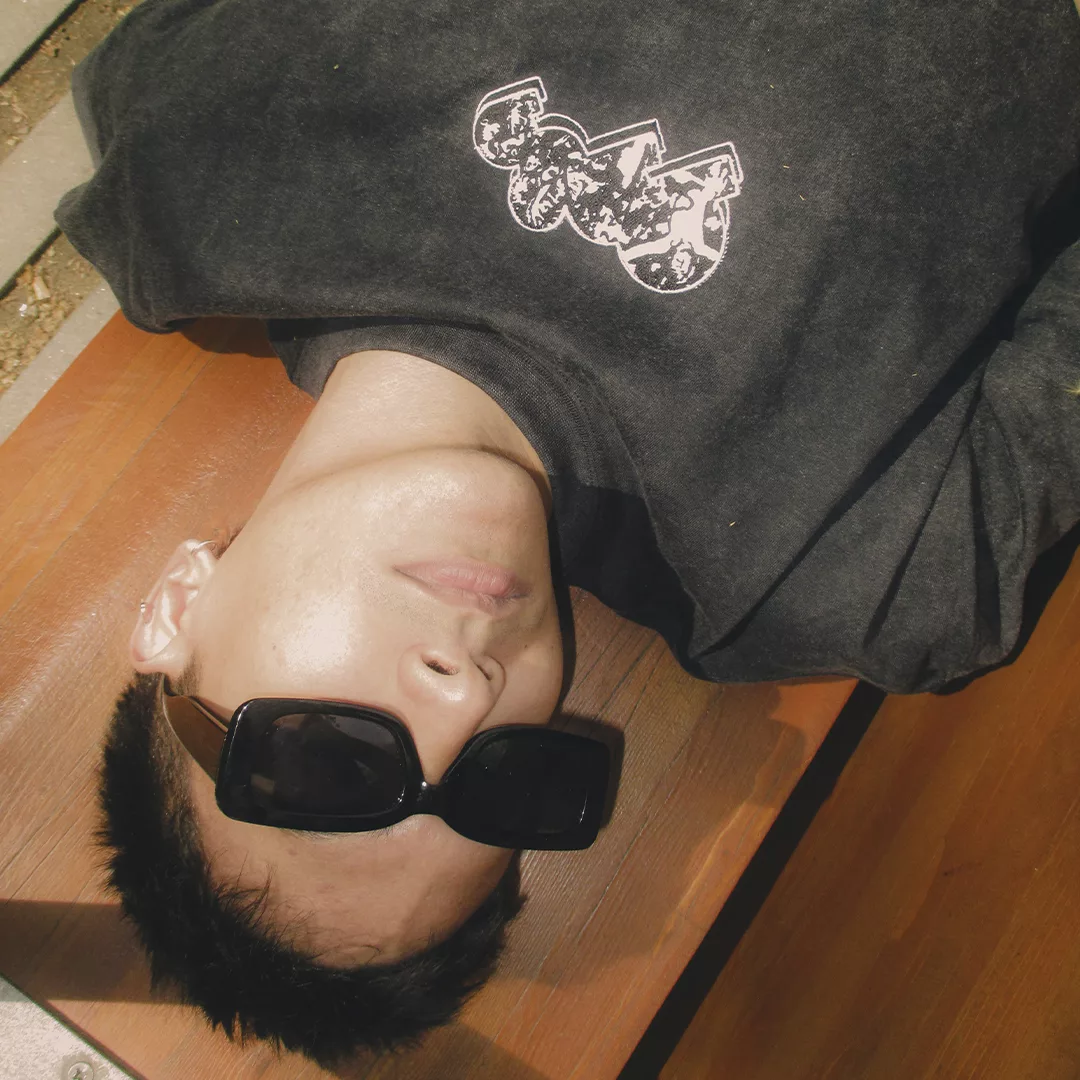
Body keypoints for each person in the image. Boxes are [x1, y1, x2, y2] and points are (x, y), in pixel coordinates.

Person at [57, 0, 1080, 1065]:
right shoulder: (860, 570)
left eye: (329, 761)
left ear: (176, 606)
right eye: (495, 783)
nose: (463, 699)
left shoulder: (189, 167)